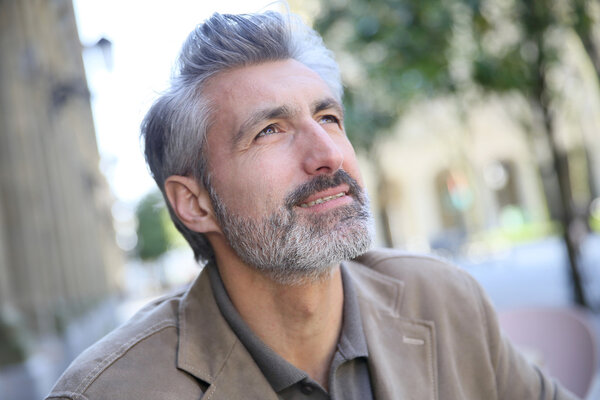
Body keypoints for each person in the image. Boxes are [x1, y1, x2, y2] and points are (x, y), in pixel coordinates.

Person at [46, 9, 578, 400]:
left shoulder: (443, 300)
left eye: (328, 118)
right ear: (195, 203)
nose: (327, 155)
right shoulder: (110, 392)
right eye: (270, 130)